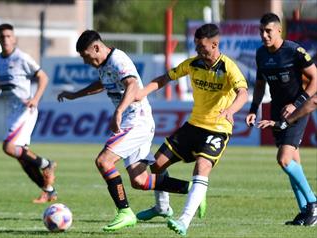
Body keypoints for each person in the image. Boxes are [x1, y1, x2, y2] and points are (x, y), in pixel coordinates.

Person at [57, 30, 198, 232]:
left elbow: (132, 84)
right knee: (140, 181)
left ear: (96, 47)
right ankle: (192, 190)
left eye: (86, 56)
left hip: (136, 121)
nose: (86, 61)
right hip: (136, 122)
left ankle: (125, 212)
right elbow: (102, 84)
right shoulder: (104, 64)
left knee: (103, 161)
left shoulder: (118, 59)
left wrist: (119, 111)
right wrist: (75, 94)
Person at [135, 23, 248, 236]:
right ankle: (162, 207)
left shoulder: (228, 67)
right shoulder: (192, 64)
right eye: (196, 46)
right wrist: (142, 93)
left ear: (215, 44)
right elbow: (164, 78)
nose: (198, 51)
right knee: (156, 165)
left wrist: (231, 110)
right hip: (193, 126)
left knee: (202, 166)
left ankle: (184, 220)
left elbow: (242, 92)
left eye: (203, 47)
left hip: (217, 129)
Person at [246, 13, 317, 226]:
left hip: (297, 110)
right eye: (261, 31)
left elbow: (315, 79)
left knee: (284, 159)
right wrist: (253, 108)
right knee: (292, 164)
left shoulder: (294, 52)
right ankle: (306, 211)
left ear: (279, 31)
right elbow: (260, 85)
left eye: (268, 31)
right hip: (276, 111)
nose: (264, 35)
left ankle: (313, 203)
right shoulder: (260, 54)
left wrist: (297, 104)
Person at [0, 23, 57, 203]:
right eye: (2, 37)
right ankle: (48, 190)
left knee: (9, 147)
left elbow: (43, 77)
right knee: (22, 158)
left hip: (26, 110)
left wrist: (35, 98)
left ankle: (46, 164)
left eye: (9, 36)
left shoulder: (21, 58)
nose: (6, 39)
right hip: (12, 111)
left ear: (14, 38)